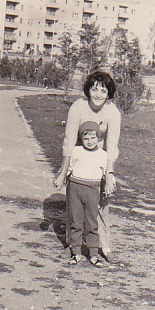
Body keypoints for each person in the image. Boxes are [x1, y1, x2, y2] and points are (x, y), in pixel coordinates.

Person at [53, 71, 121, 261]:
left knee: (101, 203)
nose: (98, 95)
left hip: (99, 159)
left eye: (103, 91)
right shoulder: (78, 107)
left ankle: (104, 245)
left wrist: (109, 175)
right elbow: (69, 141)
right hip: (79, 156)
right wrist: (63, 172)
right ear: (88, 90)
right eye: (94, 89)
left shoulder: (113, 112)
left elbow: (111, 145)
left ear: (109, 94)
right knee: (74, 205)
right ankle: (71, 243)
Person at [59, 121, 107, 266]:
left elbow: (107, 174)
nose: (90, 141)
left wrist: (109, 186)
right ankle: (76, 252)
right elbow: (69, 168)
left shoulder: (102, 155)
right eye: (86, 138)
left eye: (93, 138)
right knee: (76, 221)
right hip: (75, 188)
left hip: (92, 190)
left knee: (91, 222)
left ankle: (93, 253)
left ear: (98, 138)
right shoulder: (76, 151)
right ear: (81, 139)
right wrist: (61, 179)